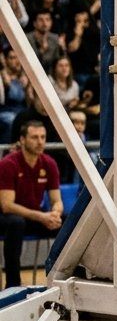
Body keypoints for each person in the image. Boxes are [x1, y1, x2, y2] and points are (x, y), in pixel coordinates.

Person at [0, 120, 63, 288]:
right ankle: (13, 284)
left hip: (33, 216)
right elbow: (7, 205)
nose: (40, 141)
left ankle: (63, 278)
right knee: (15, 223)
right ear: (22, 140)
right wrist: (42, 216)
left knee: (69, 222)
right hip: (6, 218)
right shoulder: (8, 164)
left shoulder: (49, 163)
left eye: (43, 137)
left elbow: (56, 200)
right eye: (34, 137)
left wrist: (55, 212)